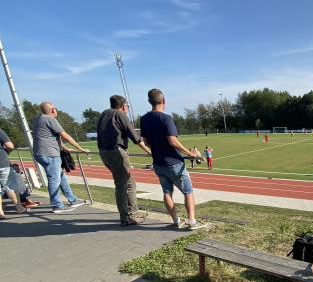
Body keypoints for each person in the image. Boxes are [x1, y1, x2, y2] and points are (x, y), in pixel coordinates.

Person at [140, 88, 205, 230]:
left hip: (158, 164)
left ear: (149, 102)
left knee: (167, 192)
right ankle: (192, 221)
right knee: (188, 192)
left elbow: (146, 142)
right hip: (174, 163)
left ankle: (176, 220)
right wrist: (191, 153)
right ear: (163, 101)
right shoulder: (166, 118)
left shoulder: (144, 119)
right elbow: (173, 141)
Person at [97, 95, 152, 227]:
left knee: (126, 182)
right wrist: (149, 151)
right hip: (116, 152)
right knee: (124, 185)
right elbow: (135, 137)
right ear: (122, 106)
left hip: (104, 152)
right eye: (127, 106)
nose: (127, 108)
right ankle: (127, 217)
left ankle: (132, 213)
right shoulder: (120, 115)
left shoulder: (104, 114)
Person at [32, 102, 89, 213]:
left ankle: (72, 199)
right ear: (52, 110)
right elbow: (64, 135)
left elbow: (53, 137)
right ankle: (57, 205)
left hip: (40, 153)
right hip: (50, 154)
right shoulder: (50, 119)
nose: (56, 111)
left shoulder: (38, 119)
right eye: (55, 109)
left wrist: (65, 149)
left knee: (61, 176)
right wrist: (81, 148)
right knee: (54, 179)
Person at [0, 129, 28, 219]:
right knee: (11, 186)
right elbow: (10, 146)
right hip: (2, 162)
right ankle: (19, 207)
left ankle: (0, 212)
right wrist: (7, 152)